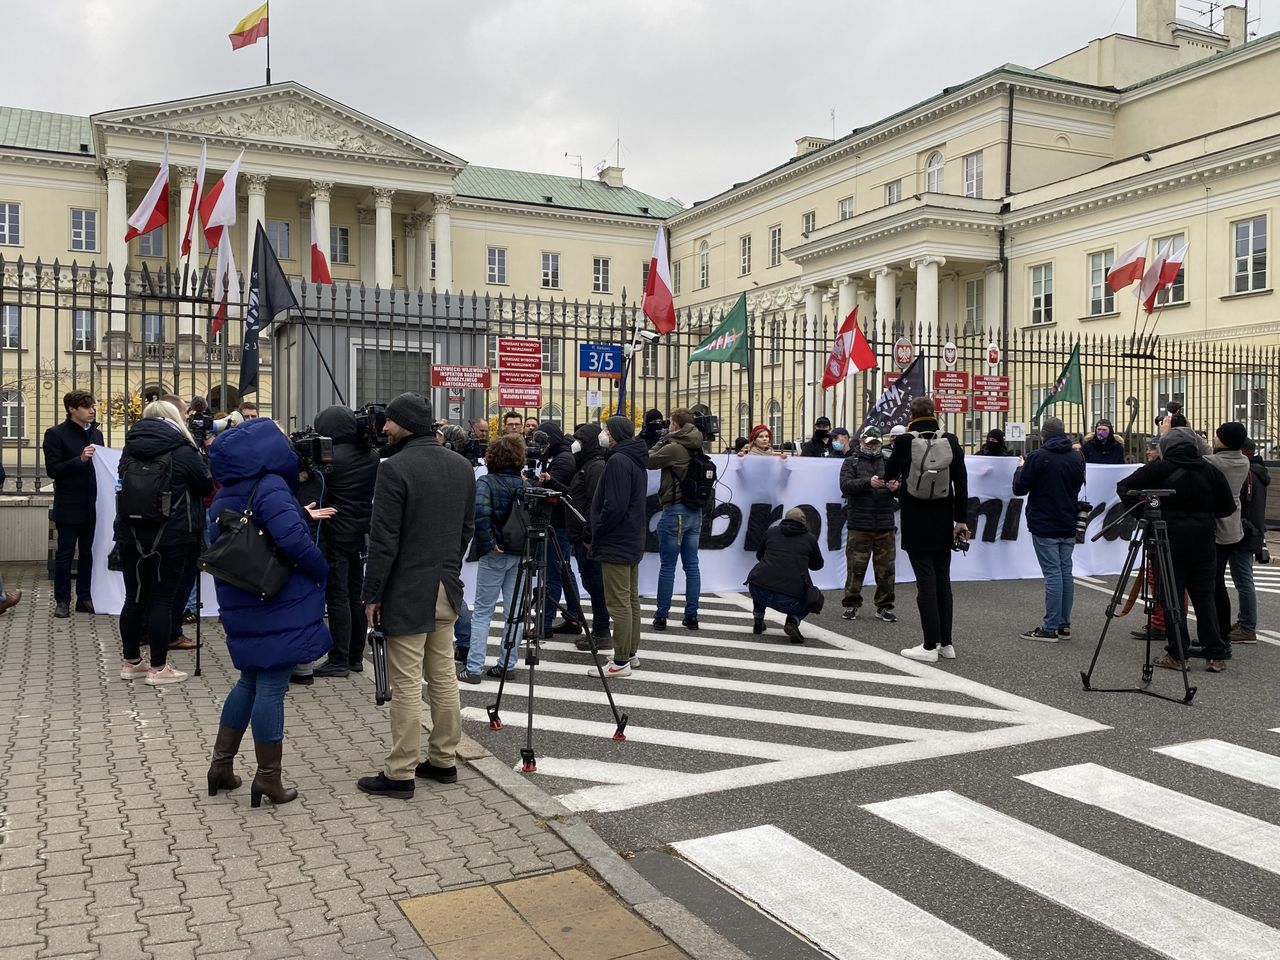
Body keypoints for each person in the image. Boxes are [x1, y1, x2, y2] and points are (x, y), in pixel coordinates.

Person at [204, 418, 332, 806]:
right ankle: (267, 778)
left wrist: (297, 512)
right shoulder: (271, 484)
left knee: (250, 680)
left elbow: (253, 529)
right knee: (272, 686)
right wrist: (321, 568)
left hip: (244, 594)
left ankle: (221, 767)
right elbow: (291, 541)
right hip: (276, 597)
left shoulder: (228, 490)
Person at [358, 392, 475, 799]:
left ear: (405, 424)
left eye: (389, 421)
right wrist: (449, 571)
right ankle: (443, 760)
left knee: (407, 683)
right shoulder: (462, 466)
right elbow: (466, 530)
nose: (384, 428)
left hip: (407, 591)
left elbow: (383, 541)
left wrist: (371, 595)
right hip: (446, 588)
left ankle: (400, 772)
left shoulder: (395, 469)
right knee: (442, 676)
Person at [1116, 427, 1235, 672]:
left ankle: (1178, 652)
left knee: (1171, 597)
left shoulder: (1159, 468)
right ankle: (1215, 654)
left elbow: (1124, 488)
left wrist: (1146, 513)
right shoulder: (1210, 470)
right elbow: (1227, 508)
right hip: (1203, 540)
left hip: (1166, 538)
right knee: (1205, 596)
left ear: (1166, 446)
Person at [115, 400, 213, 686]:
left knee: (133, 598)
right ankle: (158, 668)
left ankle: (131, 661)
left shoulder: (129, 448)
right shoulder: (183, 450)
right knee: (162, 598)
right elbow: (205, 485)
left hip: (130, 533)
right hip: (172, 535)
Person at [884, 396, 969, 663]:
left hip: (915, 519)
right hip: (943, 519)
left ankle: (929, 645)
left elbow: (889, 474)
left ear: (911, 416)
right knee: (943, 581)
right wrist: (961, 520)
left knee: (926, 583)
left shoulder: (905, 442)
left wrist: (893, 484)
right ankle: (947, 643)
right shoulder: (951, 440)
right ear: (935, 412)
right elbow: (961, 483)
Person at [307, 405, 379, 678]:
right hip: (360, 531)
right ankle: (354, 657)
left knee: (337, 596)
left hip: (335, 531)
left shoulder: (329, 458)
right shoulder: (371, 455)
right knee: (355, 594)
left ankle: (338, 658)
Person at [460, 434, 527, 683]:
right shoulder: (524, 484)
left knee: (483, 611)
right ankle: (507, 664)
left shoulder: (487, 483)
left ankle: (474, 668)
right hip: (520, 552)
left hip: (495, 552)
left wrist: (489, 542)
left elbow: (480, 515)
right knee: (515, 611)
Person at [1012, 417, 1085, 642]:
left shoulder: (1038, 457)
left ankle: (1050, 626)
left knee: (1053, 573)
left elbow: (1019, 489)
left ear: (1044, 434)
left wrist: (1019, 469)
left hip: (1045, 520)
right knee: (1065, 572)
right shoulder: (1076, 457)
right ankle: (1064, 624)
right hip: (1069, 519)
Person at [589, 416, 648, 679]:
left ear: (614, 434)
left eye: (606, 430)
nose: (604, 434)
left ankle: (621, 658)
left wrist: (598, 529)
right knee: (630, 598)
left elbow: (614, 505)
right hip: (631, 537)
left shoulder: (618, 460)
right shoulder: (635, 458)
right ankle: (630, 652)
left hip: (616, 539)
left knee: (618, 602)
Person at [43, 389, 103, 618]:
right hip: (69, 505)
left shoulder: (97, 434)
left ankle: (84, 598)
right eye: (87, 407)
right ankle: (62, 600)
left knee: (89, 553)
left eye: (93, 406)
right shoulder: (56, 434)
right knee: (65, 554)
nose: (92, 410)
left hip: (92, 504)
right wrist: (80, 460)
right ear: (72, 409)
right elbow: (53, 470)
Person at [648, 409, 704, 632]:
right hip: (694, 511)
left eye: (670, 423)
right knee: (692, 565)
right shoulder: (697, 444)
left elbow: (648, 460)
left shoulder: (673, 446)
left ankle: (661, 615)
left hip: (675, 510)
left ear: (676, 425)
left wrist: (660, 441)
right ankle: (692, 615)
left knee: (668, 566)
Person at [533, 421, 587, 635]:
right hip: (559, 523)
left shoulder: (563, 459)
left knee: (554, 572)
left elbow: (555, 491)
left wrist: (534, 483)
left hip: (557, 523)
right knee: (563, 571)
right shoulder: (560, 455)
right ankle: (573, 617)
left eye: (542, 440)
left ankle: (545, 623)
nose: (540, 445)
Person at [840, 426, 898, 623]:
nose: (872, 446)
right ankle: (851, 604)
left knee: (886, 570)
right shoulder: (851, 462)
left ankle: (884, 606)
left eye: (875, 442)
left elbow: (902, 485)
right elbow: (845, 485)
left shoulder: (889, 461)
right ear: (862, 442)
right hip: (859, 524)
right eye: (869, 442)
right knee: (856, 568)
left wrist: (895, 488)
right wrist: (867, 483)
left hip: (885, 524)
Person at [1207, 422, 1251, 660]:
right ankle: (1218, 634)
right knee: (1218, 581)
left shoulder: (1215, 462)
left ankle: (1218, 636)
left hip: (1217, 528)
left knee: (1213, 586)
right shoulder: (1242, 460)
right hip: (1233, 527)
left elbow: (1198, 455)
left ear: (1223, 440)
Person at [747, 507, 824, 642]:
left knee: (761, 580)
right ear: (804, 523)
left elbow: (759, 555)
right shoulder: (810, 539)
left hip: (757, 590)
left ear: (785, 519)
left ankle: (758, 621)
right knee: (813, 599)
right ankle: (792, 621)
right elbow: (817, 565)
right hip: (788, 600)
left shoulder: (771, 532)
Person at [567, 422, 611, 647]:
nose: (576, 444)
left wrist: (588, 535)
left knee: (595, 584)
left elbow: (595, 503)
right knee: (591, 582)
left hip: (588, 539)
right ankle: (599, 629)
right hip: (582, 536)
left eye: (581, 441)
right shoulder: (587, 465)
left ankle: (601, 631)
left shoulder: (595, 467)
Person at [1230, 438, 1270, 643]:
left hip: (1243, 531)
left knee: (1243, 579)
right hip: (1252, 531)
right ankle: (1245, 621)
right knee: (1244, 578)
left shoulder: (1247, 473)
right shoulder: (1259, 471)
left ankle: (1247, 626)